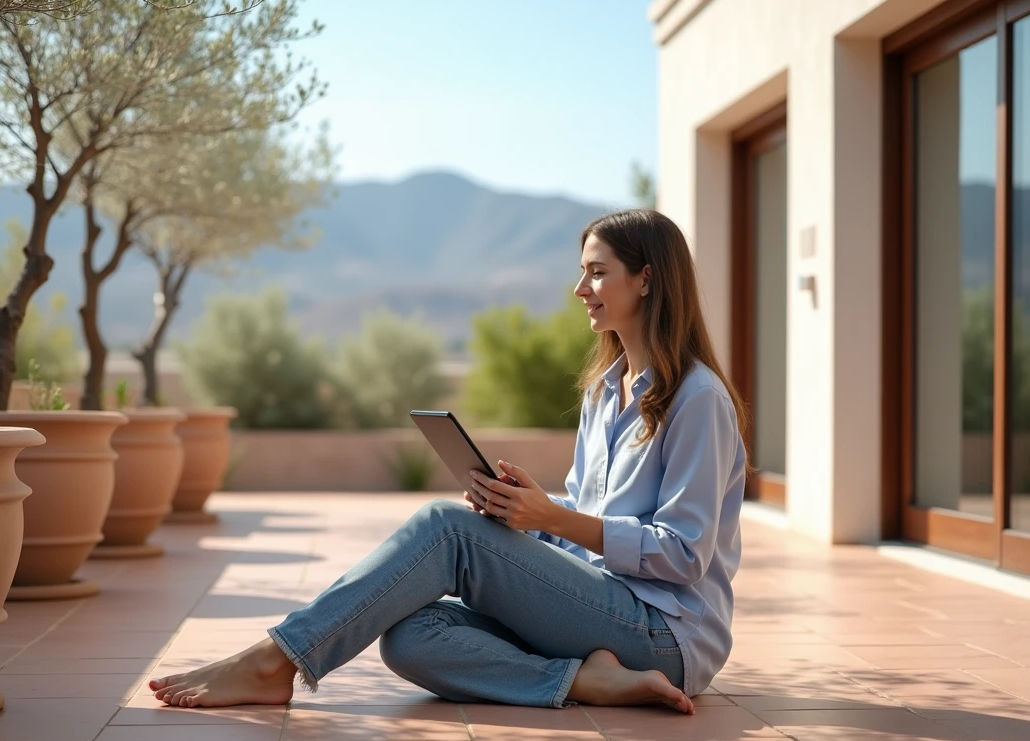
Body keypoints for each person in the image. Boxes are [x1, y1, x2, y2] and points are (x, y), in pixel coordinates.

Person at [149, 209, 749, 713]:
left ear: (646, 280)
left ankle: (275, 662)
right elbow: (590, 517)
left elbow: (684, 553)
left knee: (445, 527)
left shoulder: (696, 399)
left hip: (663, 633)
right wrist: (526, 509)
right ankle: (583, 681)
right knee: (411, 636)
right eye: (581, 272)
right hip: (598, 610)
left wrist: (553, 519)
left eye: (597, 272)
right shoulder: (604, 391)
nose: (580, 289)